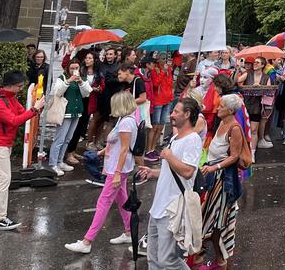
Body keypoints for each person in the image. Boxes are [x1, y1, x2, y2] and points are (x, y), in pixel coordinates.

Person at [0, 71, 46, 230]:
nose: (21, 89)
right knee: (3, 179)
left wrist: (34, 109)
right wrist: (34, 110)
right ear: (10, 85)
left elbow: (21, 114)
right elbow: (14, 121)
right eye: (19, 86)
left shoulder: (8, 98)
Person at [64, 92, 137, 253]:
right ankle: (128, 231)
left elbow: (124, 149)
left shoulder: (125, 123)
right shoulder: (126, 120)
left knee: (103, 203)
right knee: (122, 200)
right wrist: (101, 152)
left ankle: (87, 241)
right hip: (119, 168)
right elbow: (119, 145)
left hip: (117, 169)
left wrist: (117, 172)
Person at [136, 98, 203, 270]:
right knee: (153, 260)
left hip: (172, 209)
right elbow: (171, 172)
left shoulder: (193, 139)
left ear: (187, 115)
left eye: (176, 112)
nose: (172, 114)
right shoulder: (175, 138)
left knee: (168, 260)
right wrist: (153, 173)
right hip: (158, 208)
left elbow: (188, 172)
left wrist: (169, 156)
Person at [197, 94, 247, 269]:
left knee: (216, 225)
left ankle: (220, 262)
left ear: (230, 111)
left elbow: (234, 157)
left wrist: (214, 167)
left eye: (221, 106)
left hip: (224, 181)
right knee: (210, 223)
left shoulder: (234, 128)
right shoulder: (222, 124)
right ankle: (217, 261)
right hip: (213, 179)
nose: (217, 108)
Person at [48, 59, 93, 176]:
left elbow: (87, 92)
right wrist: (68, 81)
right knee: (60, 139)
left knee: (68, 139)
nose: (74, 70)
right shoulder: (62, 78)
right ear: (68, 68)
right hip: (65, 112)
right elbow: (57, 92)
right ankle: (53, 163)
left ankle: (60, 161)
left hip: (77, 112)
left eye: (76, 68)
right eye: (72, 68)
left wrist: (81, 83)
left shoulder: (82, 79)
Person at [66, 50, 100, 166]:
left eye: (90, 58)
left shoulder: (97, 72)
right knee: (74, 127)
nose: (88, 60)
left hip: (90, 101)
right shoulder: (81, 70)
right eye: (86, 58)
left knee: (81, 127)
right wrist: (68, 53)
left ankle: (73, 150)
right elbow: (66, 67)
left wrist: (97, 88)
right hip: (80, 99)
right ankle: (69, 152)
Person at [238, 57, 274, 150]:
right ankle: (243, 149)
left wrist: (260, 87)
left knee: (254, 130)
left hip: (257, 106)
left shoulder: (266, 77)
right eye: (254, 62)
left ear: (262, 65)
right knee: (244, 128)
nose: (255, 64)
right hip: (246, 104)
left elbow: (269, 92)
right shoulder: (248, 74)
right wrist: (238, 68)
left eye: (257, 63)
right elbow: (237, 81)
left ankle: (252, 152)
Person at [148, 56, 175, 162]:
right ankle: (148, 150)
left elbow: (170, 84)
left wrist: (171, 97)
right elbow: (155, 84)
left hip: (167, 100)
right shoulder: (155, 70)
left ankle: (153, 148)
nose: (165, 61)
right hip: (158, 100)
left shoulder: (169, 69)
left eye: (166, 59)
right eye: (162, 58)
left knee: (160, 126)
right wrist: (163, 71)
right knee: (154, 126)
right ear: (158, 60)